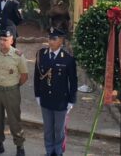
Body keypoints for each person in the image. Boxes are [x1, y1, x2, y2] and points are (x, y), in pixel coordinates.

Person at [34, 27, 77, 156]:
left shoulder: (68, 59)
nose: (50, 41)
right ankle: (49, 151)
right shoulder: (41, 55)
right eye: (49, 38)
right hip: (45, 99)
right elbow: (37, 76)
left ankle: (58, 152)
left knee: (59, 130)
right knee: (47, 129)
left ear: (61, 41)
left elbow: (73, 82)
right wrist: (37, 94)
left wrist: (71, 100)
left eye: (54, 39)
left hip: (60, 101)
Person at [0, 29, 28, 156]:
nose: (3, 42)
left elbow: (24, 76)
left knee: (14, 120)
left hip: (11, 91)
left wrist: (14, 86)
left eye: (6, 40)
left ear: (12, 41)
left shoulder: (18, 56)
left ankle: (20, 147)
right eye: (1, 39)